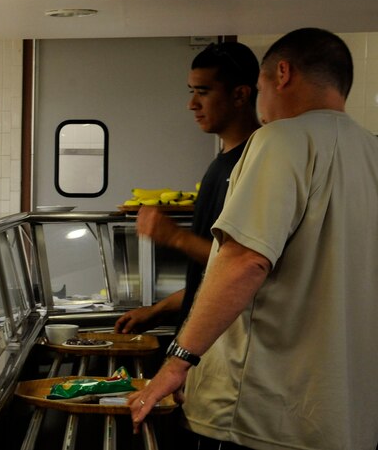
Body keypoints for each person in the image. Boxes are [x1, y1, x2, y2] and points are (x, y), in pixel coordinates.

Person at [129, 28, 378, 450]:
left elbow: (245, 261)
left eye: (260, 87)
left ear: (282, 74)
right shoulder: (371, 151)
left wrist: (178, 362)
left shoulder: (281, 139)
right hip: (344, 417)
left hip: (263, 413)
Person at [114, 41, 261, 335]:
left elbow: (245, 267)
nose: (192, 104)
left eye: (203, 92)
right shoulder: (219, 165)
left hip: (226, 343)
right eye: (191, 91)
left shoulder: (257, 165)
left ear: (240, 95)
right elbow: (209, 277)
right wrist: (158, 311)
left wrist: (175, 237)